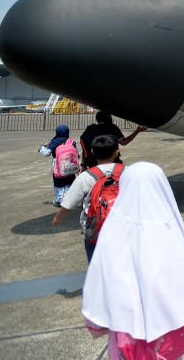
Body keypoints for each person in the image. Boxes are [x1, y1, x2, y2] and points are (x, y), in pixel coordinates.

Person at [82, 162, 184, 359]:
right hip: (167, 342)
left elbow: (100, 282)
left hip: (127, 341)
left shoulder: (113, 230)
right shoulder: (171, 229)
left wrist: (97, 325)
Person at [52, 135, 122, 263]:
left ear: (92, 152)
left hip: (96, 231)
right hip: (123, 228)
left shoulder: (86, 177)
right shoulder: (127, 172)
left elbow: (69, 203)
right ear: (117, 152)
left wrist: (57, 219)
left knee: (96, 267)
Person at [80, 111, 147, 168]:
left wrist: (83, 164)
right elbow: (124, 142)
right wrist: (137, 131)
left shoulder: (90, 129)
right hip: (112, 163)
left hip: (93, 164)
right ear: (108, 118)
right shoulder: (112, 128)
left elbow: (84, 147)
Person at [41, 124, 80, 206]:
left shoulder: (54, 142)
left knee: (58, 181)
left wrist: (43, 146)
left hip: (57, 164)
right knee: (69, 180)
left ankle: (59, 200)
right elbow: (77, 153)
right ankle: (69, 199)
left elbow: (46, 153)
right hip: (70, 164)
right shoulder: (72, 142)